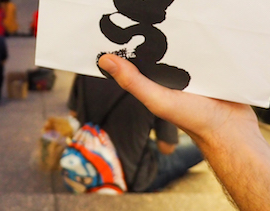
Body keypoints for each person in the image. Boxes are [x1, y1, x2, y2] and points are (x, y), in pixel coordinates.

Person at [98, 55, 270, 209]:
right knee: (191, 147)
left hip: (98, 157)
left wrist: (221, 129)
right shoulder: (160, 78)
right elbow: (167, 148)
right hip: (138, 176)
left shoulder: (90, 71)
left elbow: (74, 113)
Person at [68, 71, 203, 193]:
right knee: (203, 141)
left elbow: (74, 112)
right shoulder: (158, 82)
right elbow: (167, 147)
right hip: (134, 177)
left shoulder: (86, 70)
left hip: (90, 159)